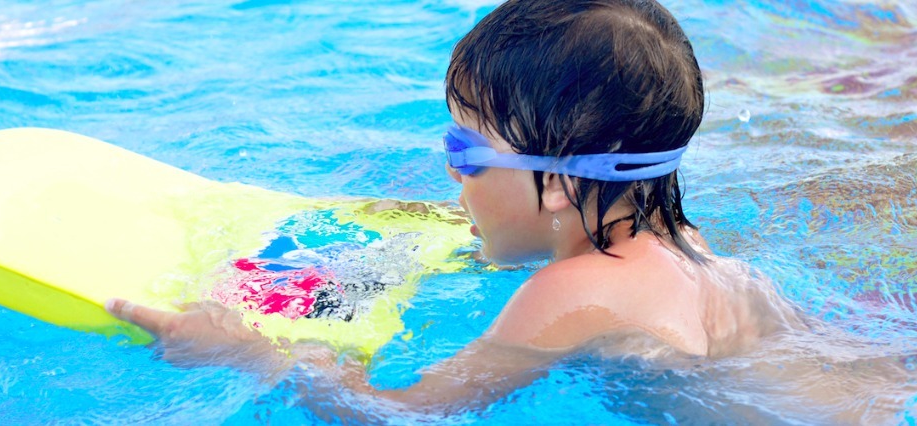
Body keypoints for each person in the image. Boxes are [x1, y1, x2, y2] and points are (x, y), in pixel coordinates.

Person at [107, 0, 800, 415]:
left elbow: (401, 417)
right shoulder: (684, 246)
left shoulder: (569, 294)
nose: (451, 171)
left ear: (557, 184)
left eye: (465, 151)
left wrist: (249, 356)